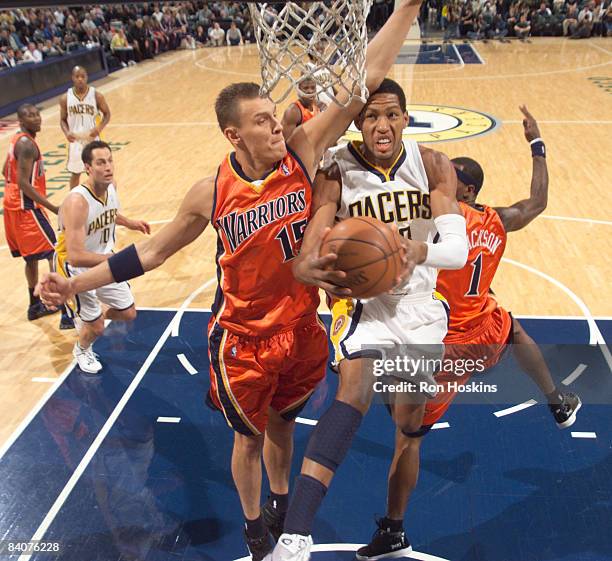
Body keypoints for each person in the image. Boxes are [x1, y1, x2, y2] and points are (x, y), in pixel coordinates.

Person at [37, 3, 424, 559]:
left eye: (275, 115)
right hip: (242, 338)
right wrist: (77, 285)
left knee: (283, 426)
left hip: (301, 326)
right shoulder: (210, 191)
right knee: (248, 437)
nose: (279, 124)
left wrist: (407, 7)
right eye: (264, 121)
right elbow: (150, 251)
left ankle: (282, 504)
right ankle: (252, 526)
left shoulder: (302, 154)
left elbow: (364, 80)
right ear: (233, 134)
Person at [355, 106, 582, 558]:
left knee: (408, 436)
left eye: (452, 181)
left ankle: (394, 531)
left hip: (444, 347)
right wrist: (537, 146)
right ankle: (557, 400)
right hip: (485, 330)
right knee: (512, 327)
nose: (440, 182)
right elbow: (536, 204)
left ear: (469, 190)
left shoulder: (438, 224)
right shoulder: (497, 220)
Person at [275, 76, 468, 561]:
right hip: (362, 304)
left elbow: (459, 250)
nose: (381, 125)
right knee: (355, 388)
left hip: (420, 307)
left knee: (409, 427)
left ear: (406, 117)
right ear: (359, 122)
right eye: (371, 117)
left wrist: (415, 250)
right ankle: (295, 536)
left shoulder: (432, 164)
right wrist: (305, 266)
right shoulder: (337, 166)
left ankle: (395, 530)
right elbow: (313, 240)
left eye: (391, 115)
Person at [55, 140, 150, 373]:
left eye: (110, 160)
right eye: (100, 162)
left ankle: (88, 319)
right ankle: (82, 348)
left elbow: (110, 212)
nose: (108, 167)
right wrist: (116, 259)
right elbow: (76, 256)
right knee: (96, 328)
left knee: (128, 313)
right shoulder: (77, 202)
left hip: (103, 260)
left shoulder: (111, 186)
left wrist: (131, 223)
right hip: (75, 268)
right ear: (87, 168)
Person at [2, 104, 67, 324]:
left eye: (37, 114)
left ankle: (34, 306)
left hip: (13, 207)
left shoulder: (17, 140)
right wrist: (52, 207)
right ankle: (61, 305)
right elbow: (22, 182)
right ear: (20, 120)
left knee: (31, 259)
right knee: (56, 251)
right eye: (30, 116)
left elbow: (5, 171)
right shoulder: (27, 145)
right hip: (27, 208)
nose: (37, 118)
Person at [60, 66, 111, 190]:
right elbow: (62, 120)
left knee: (99, 171)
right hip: (76, 139)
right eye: (77, 76)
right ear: (72, 78)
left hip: (92, 139)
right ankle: (72, 198)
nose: (80, 79)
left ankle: (103, 197)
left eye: (83, 76)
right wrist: (67, 133)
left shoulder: (96, 95)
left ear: (87, 77)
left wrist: (99, 128)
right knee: (75, 173)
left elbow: (107, 114)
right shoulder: (65, 98)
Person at [281, 76, 325, 140]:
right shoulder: (293, 111)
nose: (310, 91)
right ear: (299, 90)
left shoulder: (320, 105)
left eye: (313, 88)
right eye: (306, 88)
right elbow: (286, 143)